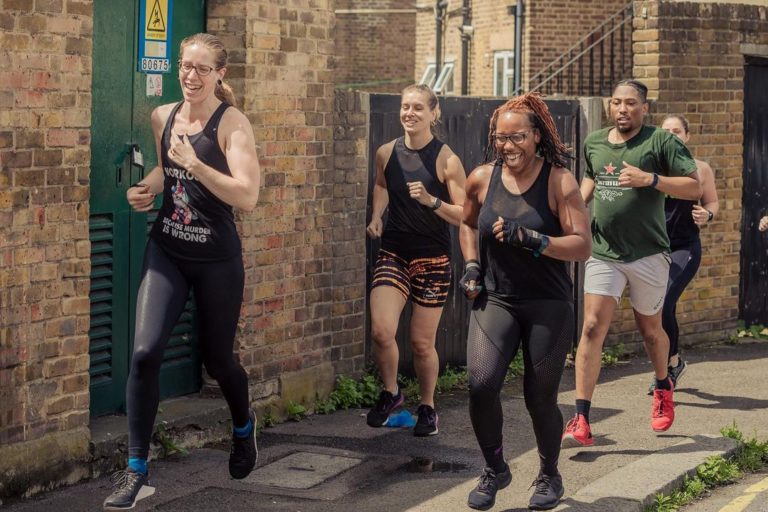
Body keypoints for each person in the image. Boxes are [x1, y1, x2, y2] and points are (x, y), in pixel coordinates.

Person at [103, 33, 261, 510]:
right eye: (185, 67)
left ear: (220, 74)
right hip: (168, 249)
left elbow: (247, 196)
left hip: (217, 259)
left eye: (201, 69)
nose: (191, 76)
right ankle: (134, 469)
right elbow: (166, 170)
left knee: (219, 361)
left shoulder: (231, 124)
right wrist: (146, 188)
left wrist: (196, 163)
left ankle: (243, 426)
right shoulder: (163, 115)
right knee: (145, 354)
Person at [460, 93, 592, 511]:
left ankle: (550, 474)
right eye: (501, 137)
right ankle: (495, 468)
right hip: (496, 299)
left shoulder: (559, 181)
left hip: (547, 305)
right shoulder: (481, 177)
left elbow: (581, 246)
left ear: (536, 137)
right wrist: (471, 266)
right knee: (481, 385)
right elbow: (467, 223)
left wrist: (533, 239)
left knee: (540, 399)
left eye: (517, 137)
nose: (508, 145)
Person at [562, 80, 701, 450]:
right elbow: (589, 181)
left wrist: (650, 179)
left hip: (649, 253)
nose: (623, 109)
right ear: (610, 105)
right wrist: (571, 211)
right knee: (591, 327)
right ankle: (581, 417)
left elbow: (694, 188)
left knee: (650, 330)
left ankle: (662, 385)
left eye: (631, 104)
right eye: (617, 103)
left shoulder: (661, 142)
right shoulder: (594, 142)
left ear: (644, 107)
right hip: (604, 251)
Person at [365, 84, 466, 437]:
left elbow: (466, 214)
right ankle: (391, 394)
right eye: (405, 107)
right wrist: (378, 215)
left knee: (422, 343)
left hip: (433, 260)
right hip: (394, 253)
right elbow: (381, 185)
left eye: (418, 108)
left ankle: (427, 406)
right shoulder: (385, 152)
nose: (410, 113)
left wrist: (431, 202)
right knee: (381, 331)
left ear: (433, 113)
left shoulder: (446, 159)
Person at [644, 114, 720, 394]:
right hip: (653, 248)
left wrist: (707, 213)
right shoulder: (651, 168)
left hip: (684, 247)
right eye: (666, 131)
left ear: (687, 136)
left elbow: (712, 201)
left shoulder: (700, 168)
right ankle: (672, 363)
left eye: (677, 131)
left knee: (662, 303)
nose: (672, 135)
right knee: (662, 307)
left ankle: (668, 366)